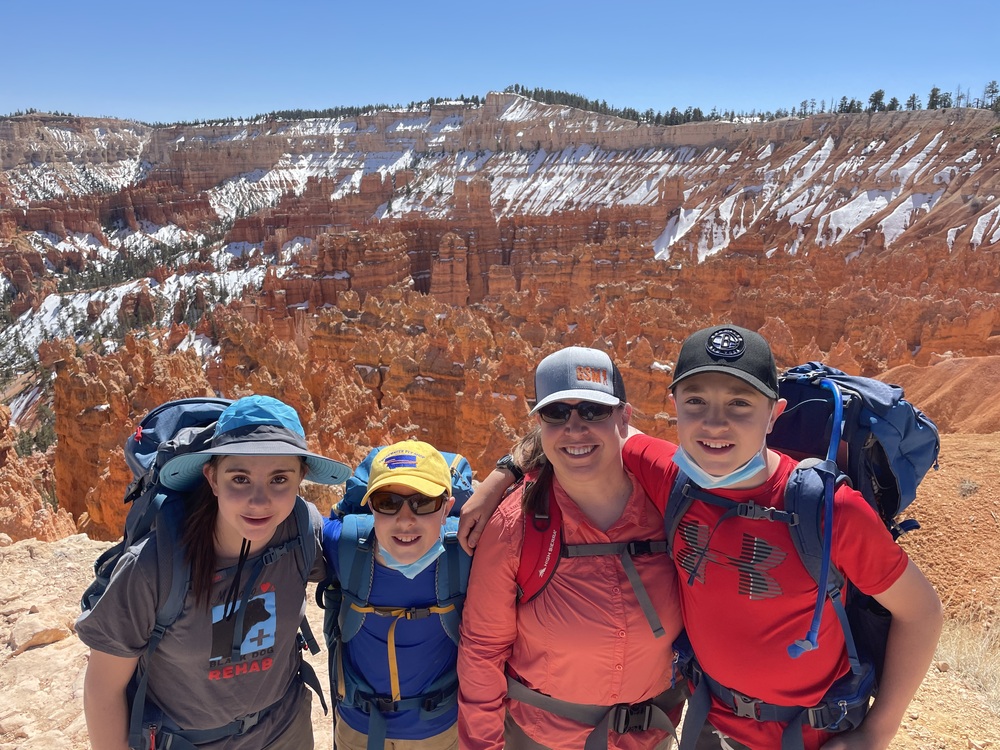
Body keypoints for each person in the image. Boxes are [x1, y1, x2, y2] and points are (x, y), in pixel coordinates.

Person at [462, 326, 944, 750]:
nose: (715, 423)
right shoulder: (671, 477)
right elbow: (575, 434)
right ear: (674, 408)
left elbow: (922, 612)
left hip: (808, 733)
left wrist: (878, 733)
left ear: (774, 414)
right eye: (696, 402)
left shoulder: (828, 508)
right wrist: (503, 474)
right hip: (705, 722)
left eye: (740, 403)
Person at [77, 394, 351, 750]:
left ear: (301, 478)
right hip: (187, 742)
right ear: (212, 478)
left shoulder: (301, 529)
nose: (259, 500)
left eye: (279, 479)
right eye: (240, 478)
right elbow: (104, 687)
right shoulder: (154, 566)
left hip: (285, 729)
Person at [457, 346, 685, 750]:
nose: (574, 428)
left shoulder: (666, 501)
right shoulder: (516, 524)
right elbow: (482, 651)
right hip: (544, 738)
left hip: (647, 737)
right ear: (540, 424)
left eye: (593, 411)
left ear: (625, 417)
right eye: (556, 413)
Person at [322, 439, 466, 750]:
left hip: (439, 732)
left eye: (423, 502)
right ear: (371, 507)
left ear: (447, 508)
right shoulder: (345, 544)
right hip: (357, 730)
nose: (405, 519)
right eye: (388, 502)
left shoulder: (466, 552)